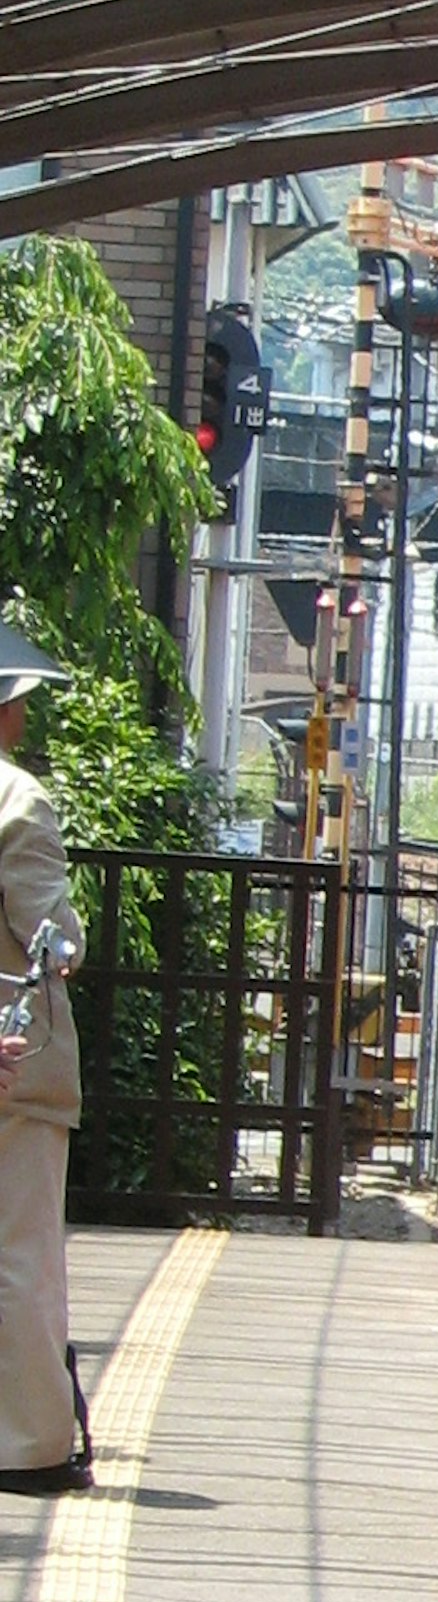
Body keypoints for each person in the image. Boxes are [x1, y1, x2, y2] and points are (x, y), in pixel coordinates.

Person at [0, 622, 89, 1496]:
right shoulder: (18, 801)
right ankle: (28, 1443)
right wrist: (71, 941)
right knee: (20, 1252)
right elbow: (49, 935)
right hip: (15, 1060)